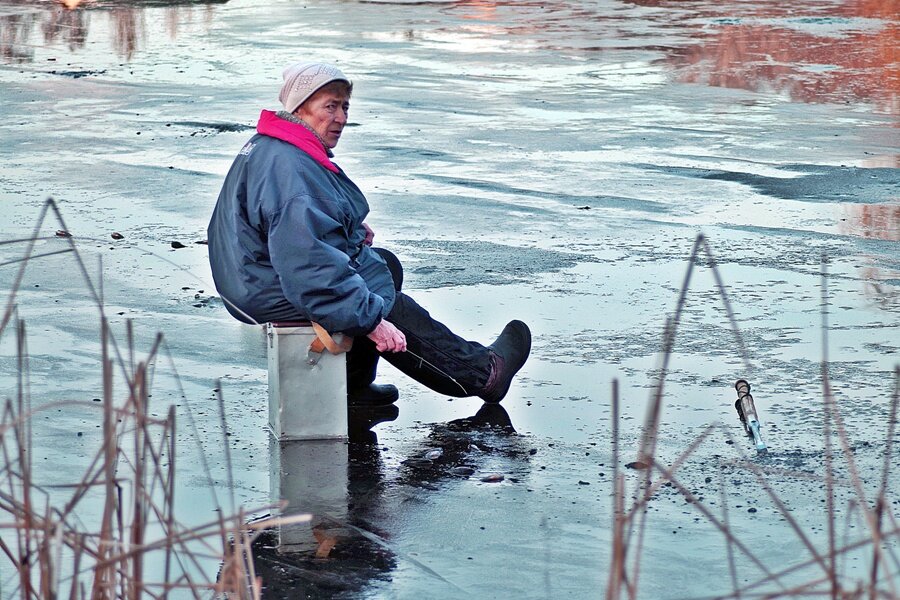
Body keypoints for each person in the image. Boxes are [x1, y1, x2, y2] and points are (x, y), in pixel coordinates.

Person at [207, 62, 531, 406]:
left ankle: (353, 391)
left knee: (382, 266)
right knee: (367, 295)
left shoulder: (272, 144)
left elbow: (281, 222)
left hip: (249, 275)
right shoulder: (292, 170)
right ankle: (481, 373)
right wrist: (373, 322)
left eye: (345, 106)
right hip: (267, 287)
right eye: (329, 106)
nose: (342, 118)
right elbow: (309, 267)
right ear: (300, 108)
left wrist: (346, 225)